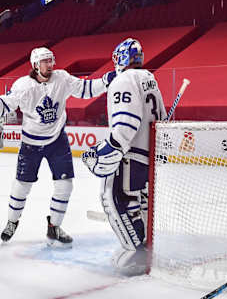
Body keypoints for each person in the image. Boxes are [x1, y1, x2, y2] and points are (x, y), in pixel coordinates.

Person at [0, 47, 116, 248]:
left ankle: (54, 226)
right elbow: (3, 107)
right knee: (22, 186)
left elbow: (85, 89)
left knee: (65, 185)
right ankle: (12, 221)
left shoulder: (62, 79)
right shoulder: (23, 86)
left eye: (52, 60)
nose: (51, 65)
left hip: (57, 141)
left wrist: (104, 82)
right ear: (35, 65)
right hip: (30, 145)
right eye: (46, 61)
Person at [82, 38, 166, 275]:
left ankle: (135, 254)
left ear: (121, 58)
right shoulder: (150, 78)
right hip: (150, 153)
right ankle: (147, 249)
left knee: (116, 199)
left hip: (131, 153)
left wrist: (110, 147)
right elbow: (162, 117)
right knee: (141, 203)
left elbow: (126, 122)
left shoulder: (124, 80)